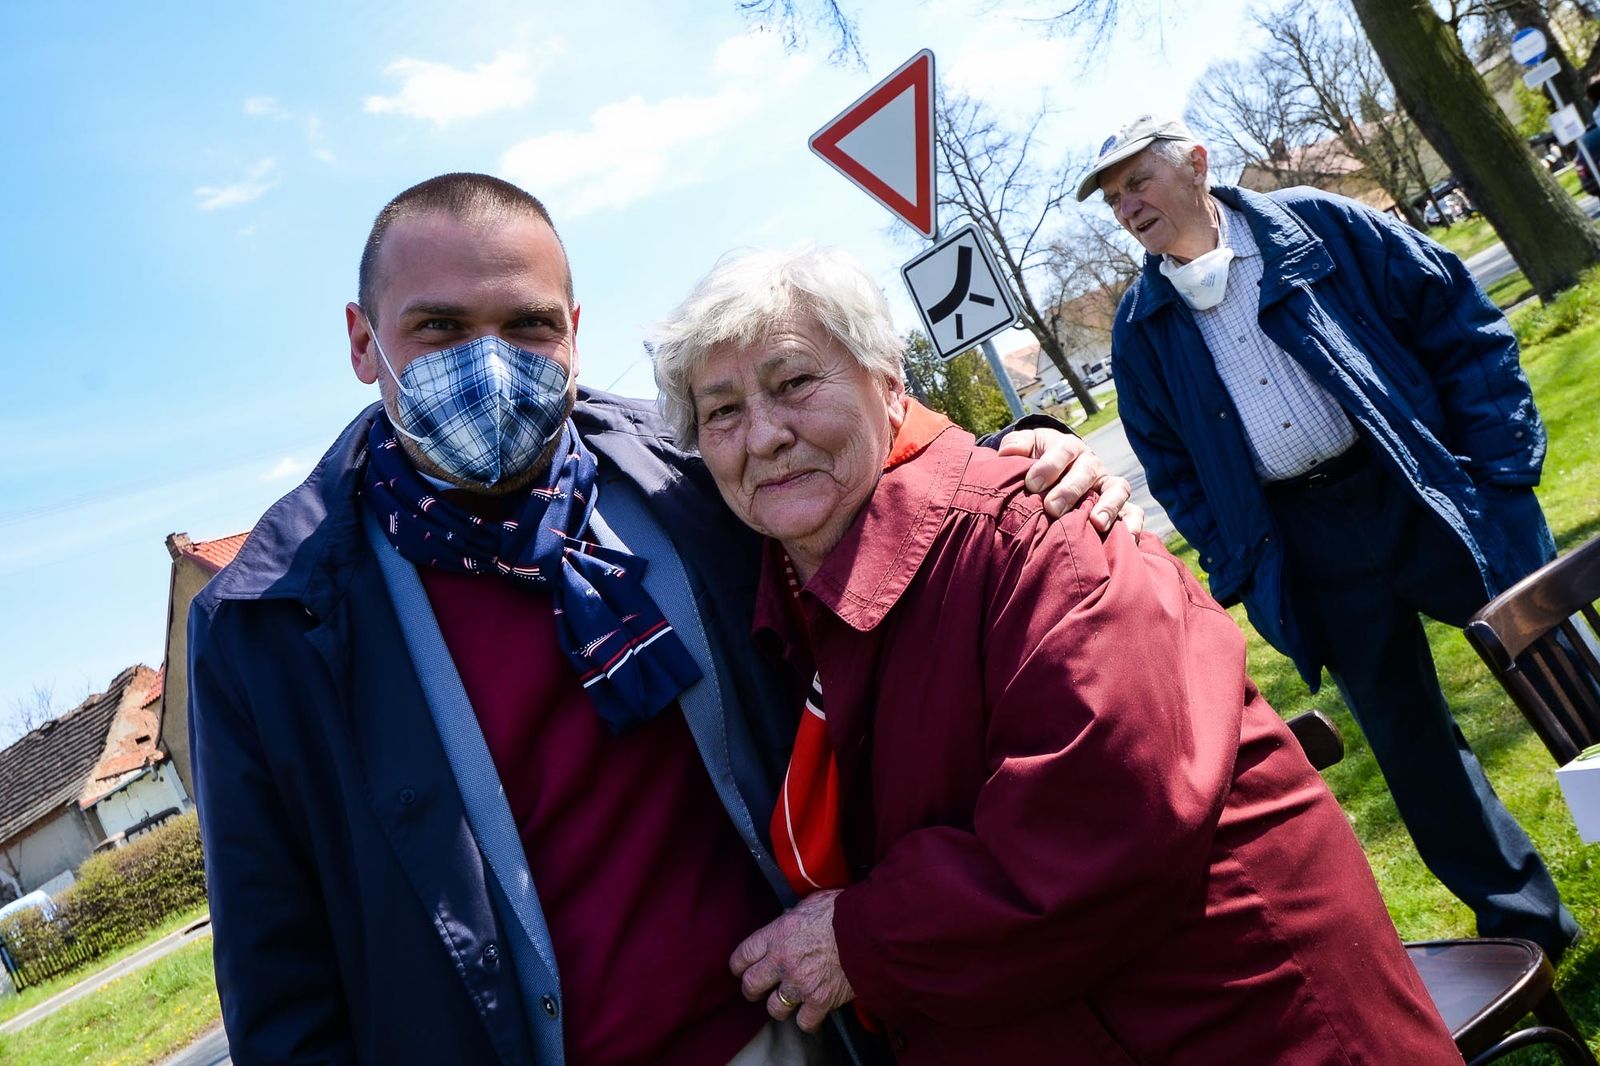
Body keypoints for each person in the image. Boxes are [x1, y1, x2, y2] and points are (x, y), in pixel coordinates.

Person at [186, 172, 1133, 1066]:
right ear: (363, 342)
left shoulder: (687, 468)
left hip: (799, 1030)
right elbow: (281, 975)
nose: (490, 363)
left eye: (527, 326)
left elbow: (867, 474)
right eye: (439, 328)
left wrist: (1025, 462)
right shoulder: (267, 618)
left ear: (574, 334)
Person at [648, 245, 1462, 1064]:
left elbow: (1107, 819)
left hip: (1233, 1028)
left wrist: (856, 940)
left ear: (888, 383)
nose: (763, 435)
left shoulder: (1040, 536)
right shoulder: (787, 598)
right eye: (722, 413)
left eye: (795, 383)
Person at [1076, 114, 1578, 960]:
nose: (1127, 207)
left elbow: (1459, 322)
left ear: (1196, 163)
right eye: (1114, 198)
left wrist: (1499, 469)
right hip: (1311, 546)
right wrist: (1244, 561)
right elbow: (1172, 468)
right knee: (1412, 747)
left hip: (1421, 486)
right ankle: (1527, 927)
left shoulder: (1316, 224)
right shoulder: (1141, 330)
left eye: (1138, 182)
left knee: (1559, 662)